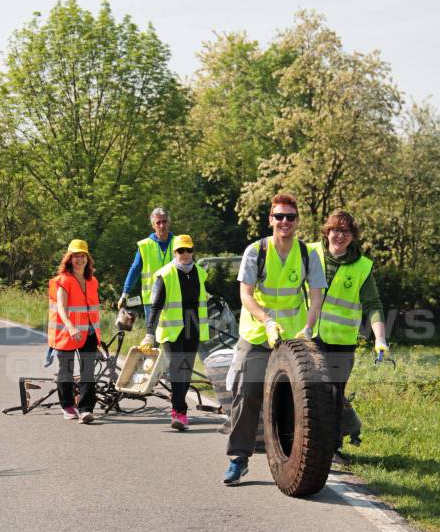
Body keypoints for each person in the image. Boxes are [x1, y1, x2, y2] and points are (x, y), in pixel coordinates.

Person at [224, 194, 327, 484]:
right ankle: (239, 457)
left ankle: (300, 457)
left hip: (294, 338)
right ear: (270, 219)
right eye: (279, 216)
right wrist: (267, 320)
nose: (284, 222)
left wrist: (308, 328)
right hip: (258, 334)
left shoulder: (308, 254)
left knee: (303, 396)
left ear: (297, 221)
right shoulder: (256, 251)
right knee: (248, 393)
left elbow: (316, 297)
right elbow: (245, 294)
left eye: (290, 217)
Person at [308, 209, 388, 466]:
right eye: (335, 229)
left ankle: (331, 448)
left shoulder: (362, 267)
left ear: (353, 236)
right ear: (326, 232)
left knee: (334, 395)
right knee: (305, 391)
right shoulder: (309, 254)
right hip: (308, 336)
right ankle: (297, 444)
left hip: (341, 341)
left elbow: (374, 305)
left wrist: (380, 339)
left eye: (345, 231)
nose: (339, 235)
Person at [139, 234, 209, 431]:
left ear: (192, 251)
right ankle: (179, 412)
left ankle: (178, 404)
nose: (185, 254)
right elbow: (155, 307)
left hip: (192, 328)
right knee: (177, 367)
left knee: (185, 370)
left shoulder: (200, 273)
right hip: (171, 330)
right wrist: (149, 334)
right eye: (180, 250)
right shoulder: (165, 274)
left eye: (188, 250)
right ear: (175, 252)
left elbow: (201, 299)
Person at [48, 239, 101, 424]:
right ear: (69, 259)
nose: (79, 259)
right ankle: (67, 405)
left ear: (87, 258)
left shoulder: (92, 281)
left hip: (90, 332)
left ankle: (86, 409)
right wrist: (71, 327)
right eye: (75, 256)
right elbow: (61, 307)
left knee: (88, 372)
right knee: (66, 371)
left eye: (82, 256)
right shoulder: (63, 280)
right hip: (67, 332)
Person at [118, 207, 174, 321]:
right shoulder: (145, 245)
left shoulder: (179, 243)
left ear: (169, 223)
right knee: (152, 335)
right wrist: (125, 295)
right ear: (153, 225)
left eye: (164, 221)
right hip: (152, 301)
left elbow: (189, 269)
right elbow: (135, 270)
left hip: (175, 299)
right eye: (158, 223)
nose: (162, 225)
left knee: (174, 337)